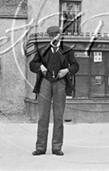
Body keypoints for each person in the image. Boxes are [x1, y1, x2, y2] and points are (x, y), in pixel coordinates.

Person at [29, 26, 79, 156]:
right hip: (45, 83)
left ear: (60, 36)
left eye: (56, 35)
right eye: (51, 35)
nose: (53, 37)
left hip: (60, 83)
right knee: (43, 117)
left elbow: (75, 66)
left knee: (58, 116)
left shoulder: (68, 50)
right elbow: (32, 65)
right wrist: (40, 66)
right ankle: (40, 147)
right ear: (48, 36)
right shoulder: (42, 51)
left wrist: (67, 70)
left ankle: (57, 147)